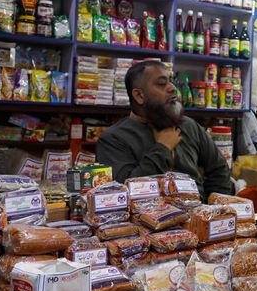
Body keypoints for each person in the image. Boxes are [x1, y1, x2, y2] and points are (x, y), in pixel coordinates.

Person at [97, 60, 231, 199]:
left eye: (171, 81)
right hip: (145, 219)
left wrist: (212, 208)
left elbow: (219, 170)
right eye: (161, 84)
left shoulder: (188, 125)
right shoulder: (113, 139)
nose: (172, 88)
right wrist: (162, 148)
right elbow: (123, 193)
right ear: (139, 95)